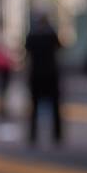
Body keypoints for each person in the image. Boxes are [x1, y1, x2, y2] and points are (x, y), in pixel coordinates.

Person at [24, 10, 63, 147]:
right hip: (51, 74)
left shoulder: (32, 35)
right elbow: (60, 47)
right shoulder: (51, 34)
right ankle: (57, 135)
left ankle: (33, 136)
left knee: (34, 107)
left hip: (36, 75)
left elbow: (26, 51)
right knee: (55, 106)